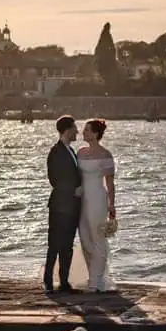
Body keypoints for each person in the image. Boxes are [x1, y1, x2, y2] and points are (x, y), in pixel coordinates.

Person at [74, 118, 118, 293]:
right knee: (84, 238)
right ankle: (96, 276)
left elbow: (110, 182)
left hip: (98, 199)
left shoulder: (106, 155)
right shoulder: (80, 152)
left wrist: (112, 205)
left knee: (98, 237)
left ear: (96, 134)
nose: (83, 133)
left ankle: (94, 282)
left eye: (87, 130)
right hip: (81, 200)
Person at [43, 115, 81, 293]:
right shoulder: (56, 152)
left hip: (72, 206)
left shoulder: (71, 151)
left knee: (68, 244)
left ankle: (64, 281)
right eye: (75, 129)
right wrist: (73, 190)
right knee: (55, 244)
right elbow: (54, 179)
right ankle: (48, 281)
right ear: (67, 130)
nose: (77, 132)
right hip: (60, 205)